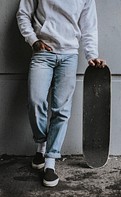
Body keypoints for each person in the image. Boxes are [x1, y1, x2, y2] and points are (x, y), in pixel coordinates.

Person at [16, 0, 106, 187]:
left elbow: (89, 26)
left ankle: (50, 159)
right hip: (43, 53)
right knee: (36, 100)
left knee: (61, 109)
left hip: (69, 55)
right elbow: (23, 13)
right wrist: (33, 40)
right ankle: (41, 143)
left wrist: (92, 55)